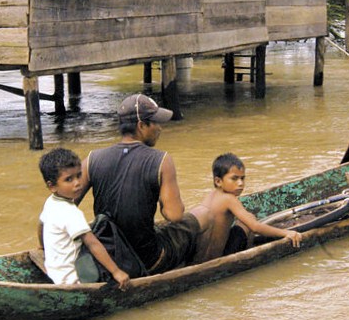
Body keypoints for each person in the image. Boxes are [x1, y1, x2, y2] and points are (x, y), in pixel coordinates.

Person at [73, 93, 200, 275]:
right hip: (148, 258)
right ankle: (196, 274)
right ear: (141, 126)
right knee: (200, 219)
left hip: (107, 257)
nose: (160, 128)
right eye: (155, 122)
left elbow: (63, 206)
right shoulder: (162, 160)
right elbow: (174, 215)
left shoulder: (92, 159)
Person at [37, 148, 130, 289]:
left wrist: (42, 246)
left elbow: (41, 225)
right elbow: (93, 244)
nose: (77, 183)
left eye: (79, 176)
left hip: (54, 272)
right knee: (110, 242)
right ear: (52, 186)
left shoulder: (51, 202)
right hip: (71, 280)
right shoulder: (71, 212)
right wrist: (116, 272)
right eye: (69, 179)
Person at [189, 153, 303, 264]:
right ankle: (247, 260)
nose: (240, 183)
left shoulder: (210, 196)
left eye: (242, 178)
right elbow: (255, 227)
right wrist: (286, 233)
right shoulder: (229, 199)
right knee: (248, 220)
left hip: (199, 260)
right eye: (234, 179)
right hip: (217, 257)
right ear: (218, 181)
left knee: (244, 220)